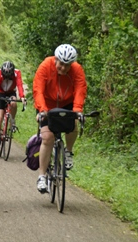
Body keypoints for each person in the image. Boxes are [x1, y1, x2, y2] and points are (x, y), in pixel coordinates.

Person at [33, 44, 87, 193]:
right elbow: (38, 89)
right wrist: (42, 110)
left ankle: (68, 152)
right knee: (47, 137)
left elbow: (80, 90)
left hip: (66, 103)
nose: (63, 68)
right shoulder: (45, 66)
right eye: (61, 64)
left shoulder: (77, 70)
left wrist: (77, 110)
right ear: (55, 59)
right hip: (47, 104)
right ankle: (42, 176)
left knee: (73, 123)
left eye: (67, 65)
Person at [0, 61, 26, 150]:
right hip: (1, 93)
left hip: (11, 92)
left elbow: (19, 84)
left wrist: (22, 97)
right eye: (5, 76)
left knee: (13, 102)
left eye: (9, 76)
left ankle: (12, 121)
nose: (7, 78)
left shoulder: (17, 73)